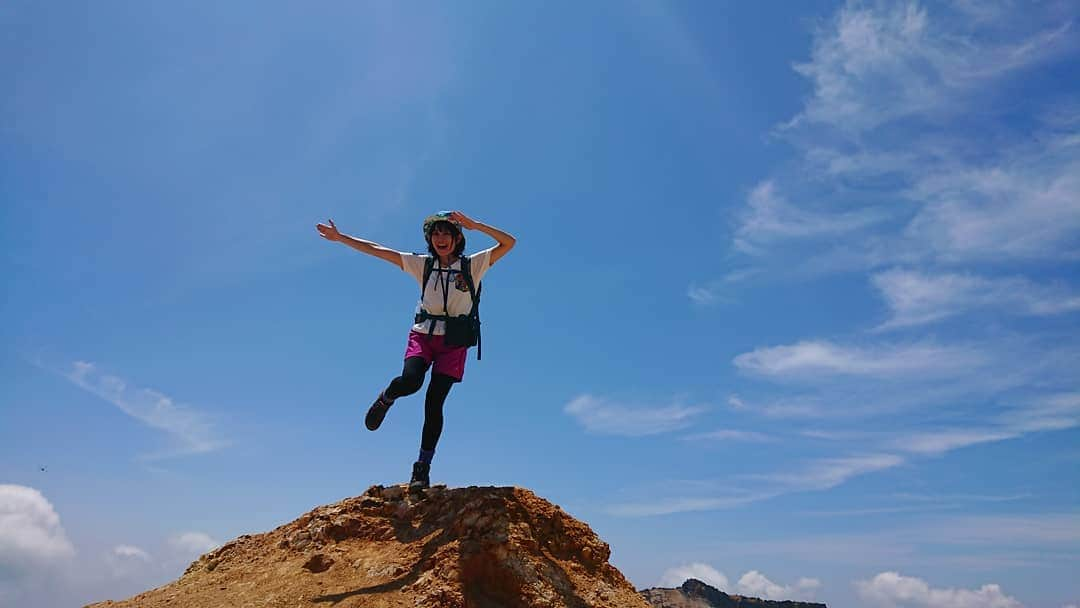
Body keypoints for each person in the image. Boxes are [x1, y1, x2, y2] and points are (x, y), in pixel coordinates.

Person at [316, 211, 516, 490]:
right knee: (411, 381)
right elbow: (379, 251)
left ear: (458, 238)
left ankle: (421, 468)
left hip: (454, 343)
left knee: (434, 403)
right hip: (424, 335)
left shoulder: (473, 265)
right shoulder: (423, 265)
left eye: (446, 233)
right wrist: (341, 238)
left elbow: (509, 243)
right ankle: (387, 397)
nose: (440, 238)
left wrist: (476, 225)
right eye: (435, 234)